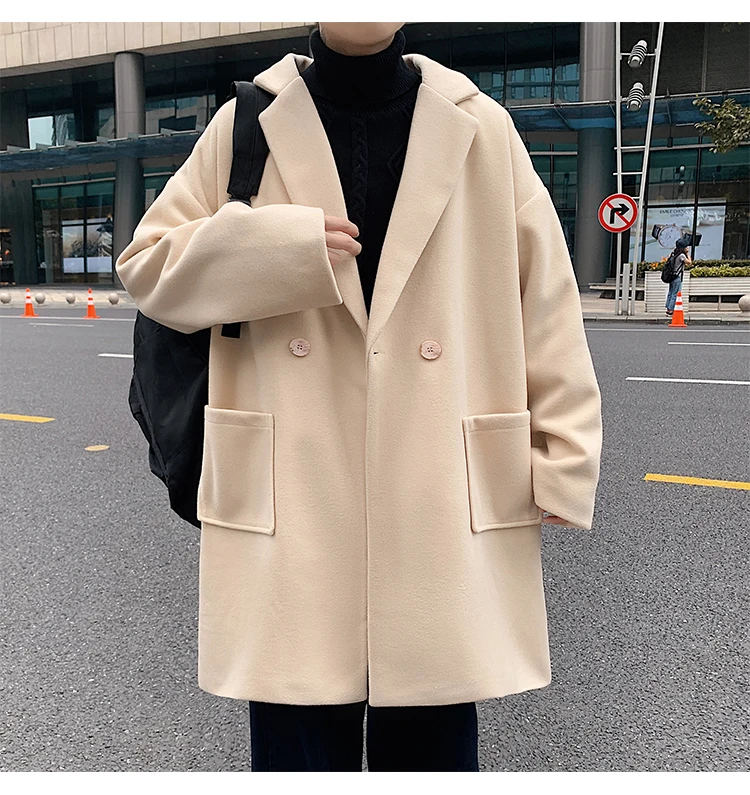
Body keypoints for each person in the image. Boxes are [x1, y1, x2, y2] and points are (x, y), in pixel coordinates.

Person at [115, 22, 603, 772]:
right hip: (294, 482)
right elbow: (147, 267)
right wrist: (280, 249)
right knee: (299, 742)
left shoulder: (480, 124)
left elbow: (547, 300)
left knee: (433, 745)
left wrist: (564, 454)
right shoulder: (248, 120)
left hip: (435, 480)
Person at [665, 239, 691, 316]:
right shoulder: (681, 256)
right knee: (675, 293)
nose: (687, 248)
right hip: (677, 277)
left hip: (671, 276)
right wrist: (687, 254)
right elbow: (689, 262)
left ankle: (668, 308)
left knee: (670, 292)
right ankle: (671, 310)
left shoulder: (673, 253)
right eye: (686, 247)